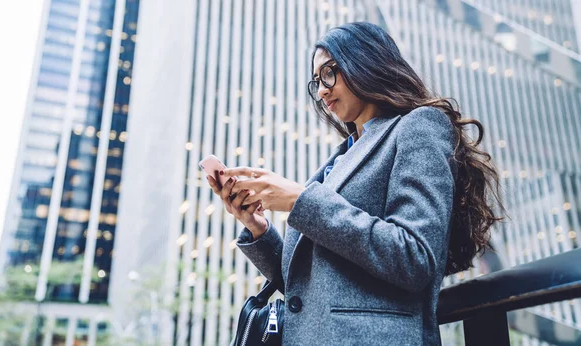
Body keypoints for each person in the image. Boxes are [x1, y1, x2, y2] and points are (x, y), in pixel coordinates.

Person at [206, 22, 504, 345]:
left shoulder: (418, 127)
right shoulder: (337, 161)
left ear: (364, 60)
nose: (321, 90)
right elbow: (309, 284)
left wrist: (298, 201)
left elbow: (415, 257)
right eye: (316, 81)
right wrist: (258, 228)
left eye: (329, 73)